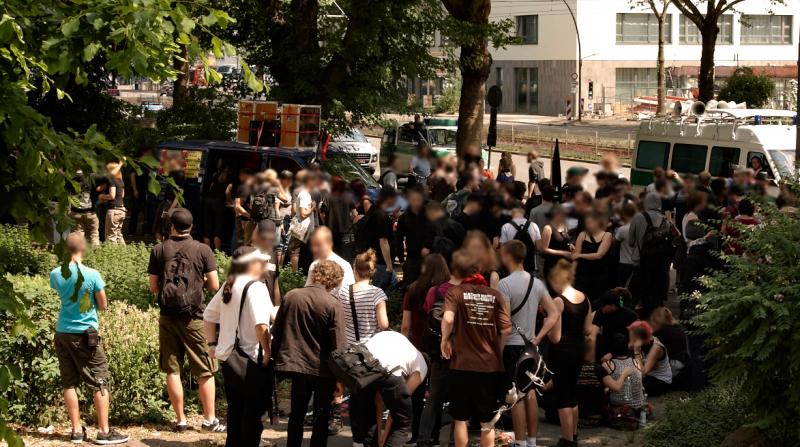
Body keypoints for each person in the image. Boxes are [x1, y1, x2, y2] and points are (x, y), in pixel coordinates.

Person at [147, 208, 223, 432]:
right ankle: (209, 420)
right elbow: (215, 285)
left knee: (172, 369)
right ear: (191, 226)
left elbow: (153, 286)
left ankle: (180, 420)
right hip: (195, 317)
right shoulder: (203, 249)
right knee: (205, 369)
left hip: (167, 317)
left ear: (171, 226)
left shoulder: (159, 250)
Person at [50, 233, 130, 444]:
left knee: (69, 383)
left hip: (62, 332)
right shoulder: (92, 274)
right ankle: (104, 431)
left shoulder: (55, 274)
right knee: (100, 380)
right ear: (83, 248)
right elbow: (103, 305)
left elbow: (62, 294)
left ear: (66, 249)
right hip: (86, 335)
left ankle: (76, 431)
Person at [271, 260, 347, 447]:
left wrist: (273, 362)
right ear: (334, 281)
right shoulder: (332, 304)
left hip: (296, 365)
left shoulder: (291, 296)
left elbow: (277, 331)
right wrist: (341, 378)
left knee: (296, 414)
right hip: (323, 370)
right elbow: (338, 345)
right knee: (322, 417)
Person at [441, 249, 512, 447]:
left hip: (461, 364)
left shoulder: (454, 293)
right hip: (489, 366)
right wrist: (497, 349)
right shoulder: (495, 295)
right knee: (487, 422)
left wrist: (444, 340)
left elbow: (447, 318)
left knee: (461, 419)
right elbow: (506, 330)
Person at [203, 247, 273, 447]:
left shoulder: (230, 284)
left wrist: (212, 344)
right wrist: (267, 351)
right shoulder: (256, 287)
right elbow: (261, 325)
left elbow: (208, 315)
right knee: (252, 417)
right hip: (251, 361)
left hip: (229, 360)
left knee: (235, 413)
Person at [498, 241, 559, 447]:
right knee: (531, 392)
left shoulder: (504, 284)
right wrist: (539, 337)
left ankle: (521, 442)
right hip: (531, 347)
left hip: (511, 346)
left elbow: (505, 323)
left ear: (507, 256)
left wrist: (497, 351)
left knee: (515, 396)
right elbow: (554, 313)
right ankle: (532, 441)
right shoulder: (537, 283)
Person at [351, 331, 429, 447]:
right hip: (387, 370)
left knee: (368, 414)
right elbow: (396, 410)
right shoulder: (421, 366)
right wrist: (383, 440)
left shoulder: (402, 345)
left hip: (363, 366)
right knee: (401, 422)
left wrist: (380, 438)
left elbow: (378, 403)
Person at [548, 259, 592, 447]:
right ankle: (573, 435)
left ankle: (567, 441)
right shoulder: (585, 298)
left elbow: (555, 337)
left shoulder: (558, 301)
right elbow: (588, 329)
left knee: (563, 396)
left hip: (562, 353)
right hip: (578, 350)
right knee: (572, 393)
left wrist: (546, 328)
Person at [629, 192, 674, 314]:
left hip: (640, 262)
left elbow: (631, 241)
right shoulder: (666, 221)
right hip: (659, 264)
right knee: (655, 295)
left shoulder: (638, 217)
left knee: (636, 293)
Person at [598, 334, 647, 428]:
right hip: (639, 406)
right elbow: (643, 374)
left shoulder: (608, 365)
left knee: (605, 389)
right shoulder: (635, 362)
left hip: (619, 405)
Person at [356, 187, 398, 289]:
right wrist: (389, 265)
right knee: (380, 291)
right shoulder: (380, 215)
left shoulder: (374, 210)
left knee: (392, 286)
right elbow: (383, 241)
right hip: (380, 263)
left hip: (374, 259)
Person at [572, 212, 612, 307]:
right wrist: (572, 275)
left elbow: (599, 255)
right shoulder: (582, 235)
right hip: (582, 274)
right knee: (580, 302)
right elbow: (575, 257)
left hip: (599, 275)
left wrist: (580, 255)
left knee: (596, 302)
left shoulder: (607, 235)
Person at [305, 226, 355, 295]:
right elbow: (307, 291)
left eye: (318, 245)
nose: (314, 249)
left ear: (329, 243)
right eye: (313, 245)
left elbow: (347, 295)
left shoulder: (344, 265)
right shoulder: (314, 265)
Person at [590, 288, 638, 360]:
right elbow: (593, 333)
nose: (601, 307)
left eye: (603, 306)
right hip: (606, 348)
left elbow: (634, 341)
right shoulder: (601, 312)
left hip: (624, 351)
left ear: (612, 306)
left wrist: (612, 354)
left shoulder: (631, 316)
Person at [649, 306, 690, 389]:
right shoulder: (678, 328)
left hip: (674, 364)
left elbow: (654, 356)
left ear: (656, 321)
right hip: (684, 362)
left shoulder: (661, 333)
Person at [396, 185, 429, 285]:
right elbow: (398, 239)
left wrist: (428, 246)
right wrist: (401, 259)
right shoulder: (404, 218)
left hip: (428, 256)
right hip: (412, 257)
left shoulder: (429, 214)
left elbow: (436, 232)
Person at [629, 321, 672, 396]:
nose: (631, 339)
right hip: (648, 376)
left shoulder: (656, 348)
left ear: (639, 338)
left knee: (629, 385)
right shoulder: (645, 342)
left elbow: (642, 373)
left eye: (632, 337)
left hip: (660, 381)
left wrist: (636, 351)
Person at [288, 170, 317, 271]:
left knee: (294, 251)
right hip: (303, 224)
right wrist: (313, 207)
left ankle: (295, 275)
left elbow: (298, 211)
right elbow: (303, 213)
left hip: (300, 224)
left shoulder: (300, 192)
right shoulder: (306, 193)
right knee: (298, 251)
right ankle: (297, 275)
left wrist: (312, 207)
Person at [499, 207, 542, 273]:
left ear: (512, 213)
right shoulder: (534, 225)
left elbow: (503, 248)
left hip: (512, 265)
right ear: (524, 214)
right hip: (530, 265)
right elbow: (539, 247)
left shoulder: (506, 227)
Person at [251, 220, 282, 306]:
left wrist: (277, 306)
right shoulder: (250, 254)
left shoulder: (273, 255)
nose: (267, 241)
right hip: (252, 305)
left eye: (270, 238)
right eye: (264, 238)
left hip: (269, 308)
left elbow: (276, 284)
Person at [68, 170, 101, 247]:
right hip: (90, 213)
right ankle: (96, 254)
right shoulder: (91, 178)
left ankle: (78, 254)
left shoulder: (69, 179)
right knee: (94, 234)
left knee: (78, 235)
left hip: (75, 213)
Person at [203, 164, 232, 250]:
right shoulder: (230, 179)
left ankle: (207, 251)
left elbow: (211, 187)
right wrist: (230, 200)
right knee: (217, 230)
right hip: (219, 203)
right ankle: (217, 254)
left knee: (207, 229)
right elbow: (227, 192)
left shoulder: (215, 175)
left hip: (208, 201)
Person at [540, 205, 573, 278]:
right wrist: (563, 253)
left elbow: (565, 242)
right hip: (552, 265)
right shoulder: (548, 229)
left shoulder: (564, 226)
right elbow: (544, 249)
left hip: (563, 265)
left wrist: (570, 245)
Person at [98, 159, 126, 245]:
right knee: (118, 235)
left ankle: (112, 256)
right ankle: (125, 255)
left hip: (113, 211)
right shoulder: (120, 181)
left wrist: (102, 196)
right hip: (122, 210)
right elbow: (122, 195)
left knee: (110, 237)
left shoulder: (111, 180)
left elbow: (112, 196)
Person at [613, 203, 638, 288]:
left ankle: (621, 302)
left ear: (623, 214)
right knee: (634, 288)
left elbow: (613, 244)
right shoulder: (640, 227)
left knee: (621, 288)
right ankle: (632, 301)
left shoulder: (622, 229)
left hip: (624, 263)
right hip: (638, 263)